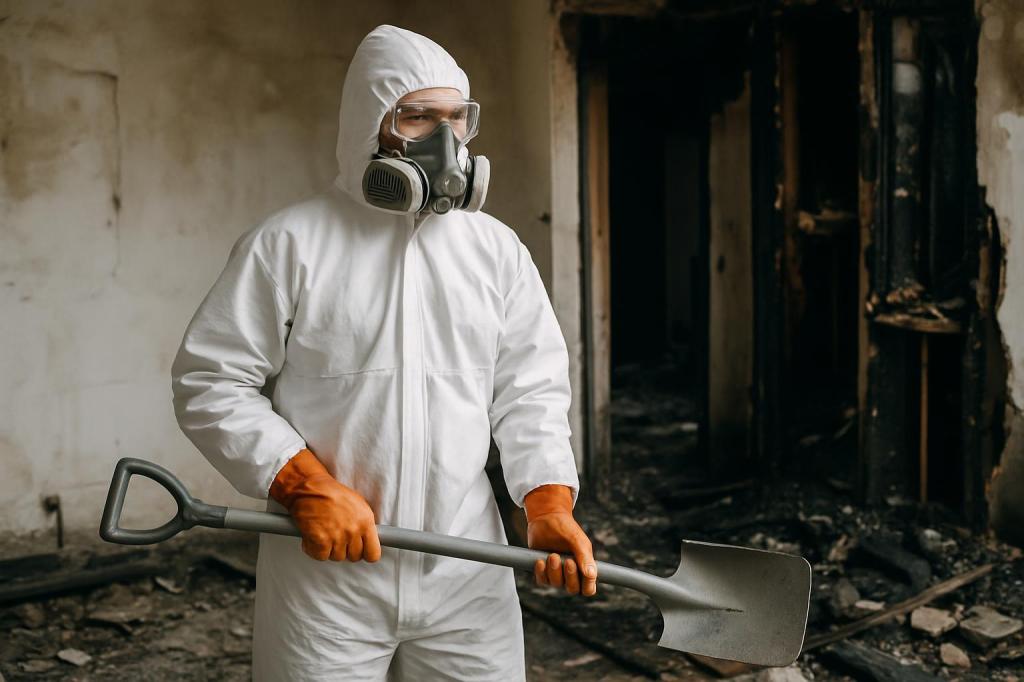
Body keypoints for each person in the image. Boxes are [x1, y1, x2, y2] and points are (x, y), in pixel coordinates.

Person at [171, 24, 595, 681]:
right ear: (371, 125)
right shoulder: (291, 244)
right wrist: (304, 488)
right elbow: (211, 383)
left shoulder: (496, 251)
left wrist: (546, 502)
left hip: (469, 571)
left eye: (456, 118)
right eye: (419, 118)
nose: (446, 142)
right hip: (327, 580)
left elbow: (531, 391)